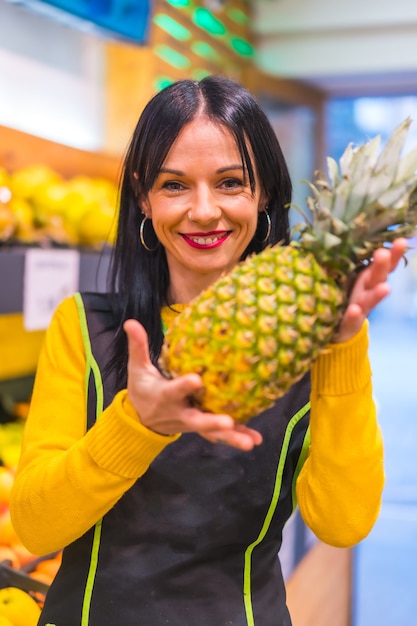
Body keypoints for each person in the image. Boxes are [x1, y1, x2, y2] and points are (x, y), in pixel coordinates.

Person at [10, 75, 406, 626]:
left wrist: (340, 347)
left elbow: (343, 523)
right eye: (174, 185)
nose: (203, 211)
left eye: (229, 183)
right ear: (143, 198)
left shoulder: (321, 342)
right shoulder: (87, 325)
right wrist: (138, 424)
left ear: (263, 192)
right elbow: (35, 526)